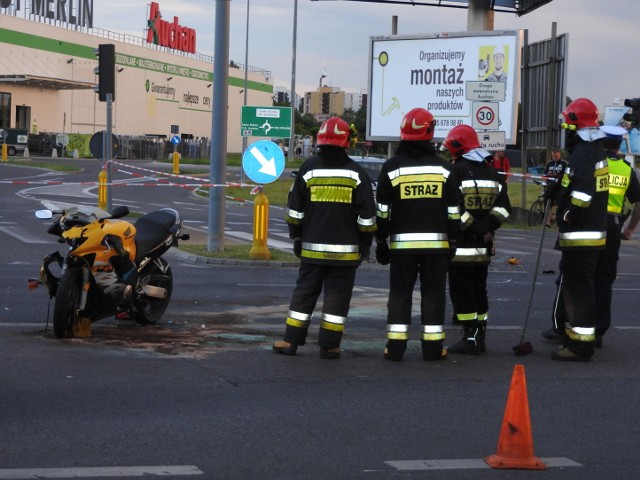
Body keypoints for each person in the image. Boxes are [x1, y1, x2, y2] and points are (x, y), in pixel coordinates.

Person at [272, 116, 377, 359]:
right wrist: (365, 244)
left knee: (304, 294)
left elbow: (295, 211)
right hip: (346, 252)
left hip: (311, 250)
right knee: (337, 300)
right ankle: (329, 345)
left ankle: (291, 341)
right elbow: (367, 217)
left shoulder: (308, 168)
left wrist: (296, 237)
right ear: (346, 142)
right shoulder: (356, 173)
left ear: (320, 140)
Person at [374, 107, 461, 361]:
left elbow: (382, 211)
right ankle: (433, 349)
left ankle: (395, 348)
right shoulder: (445, 169)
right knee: (433, 295)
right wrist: (453, 239)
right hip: (437, 247)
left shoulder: (391, 168)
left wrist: (381, 240)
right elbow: (454, 211)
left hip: (402, 248)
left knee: (400, 295)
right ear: (430, 133)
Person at [543, 125, 640, 350]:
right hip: (612, 227)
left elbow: (581, 190)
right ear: (618, 145)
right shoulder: (625, 169)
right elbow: (637, 202)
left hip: (587, 222)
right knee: (603, 281)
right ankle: (598, 330)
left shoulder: (590, 160)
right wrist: (631, 229)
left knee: (574, 278)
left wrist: (566, 213)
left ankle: (563, 326)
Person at [546, 98, 609, 362]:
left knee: (579, 289)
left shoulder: (583, 153)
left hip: (580, 235)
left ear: (575, 127)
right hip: (592, 234)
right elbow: (575, 182)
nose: (566, 132)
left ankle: (580, 346)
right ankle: (574, 338)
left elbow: (583, 193)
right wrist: (558, 188)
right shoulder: (597, 151)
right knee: (579, 287)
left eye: (567, 127)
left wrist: (569, 215)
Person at [442, 124, 511, 354]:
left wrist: (476, 229)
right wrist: (487, 229)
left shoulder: (456, 171)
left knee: (462, 293)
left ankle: (468, 337)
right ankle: (480, 336)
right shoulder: (492, 172)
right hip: (483, 247)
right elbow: (504, 209)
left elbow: (453, 209)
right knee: (480, 290)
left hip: (461, 246)